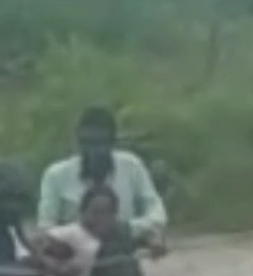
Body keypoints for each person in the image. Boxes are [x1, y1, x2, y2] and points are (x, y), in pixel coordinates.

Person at [38, 106, 169, 254]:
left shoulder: (132, 166)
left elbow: (157, 215)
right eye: (86, 143)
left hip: (121, 258)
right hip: (76, 261)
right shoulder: (56, 175)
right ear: (78, 142)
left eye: (101, 143)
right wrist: (81, 235)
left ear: (113, 143)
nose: (93, 150)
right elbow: (46, 228)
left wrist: (124, 229)